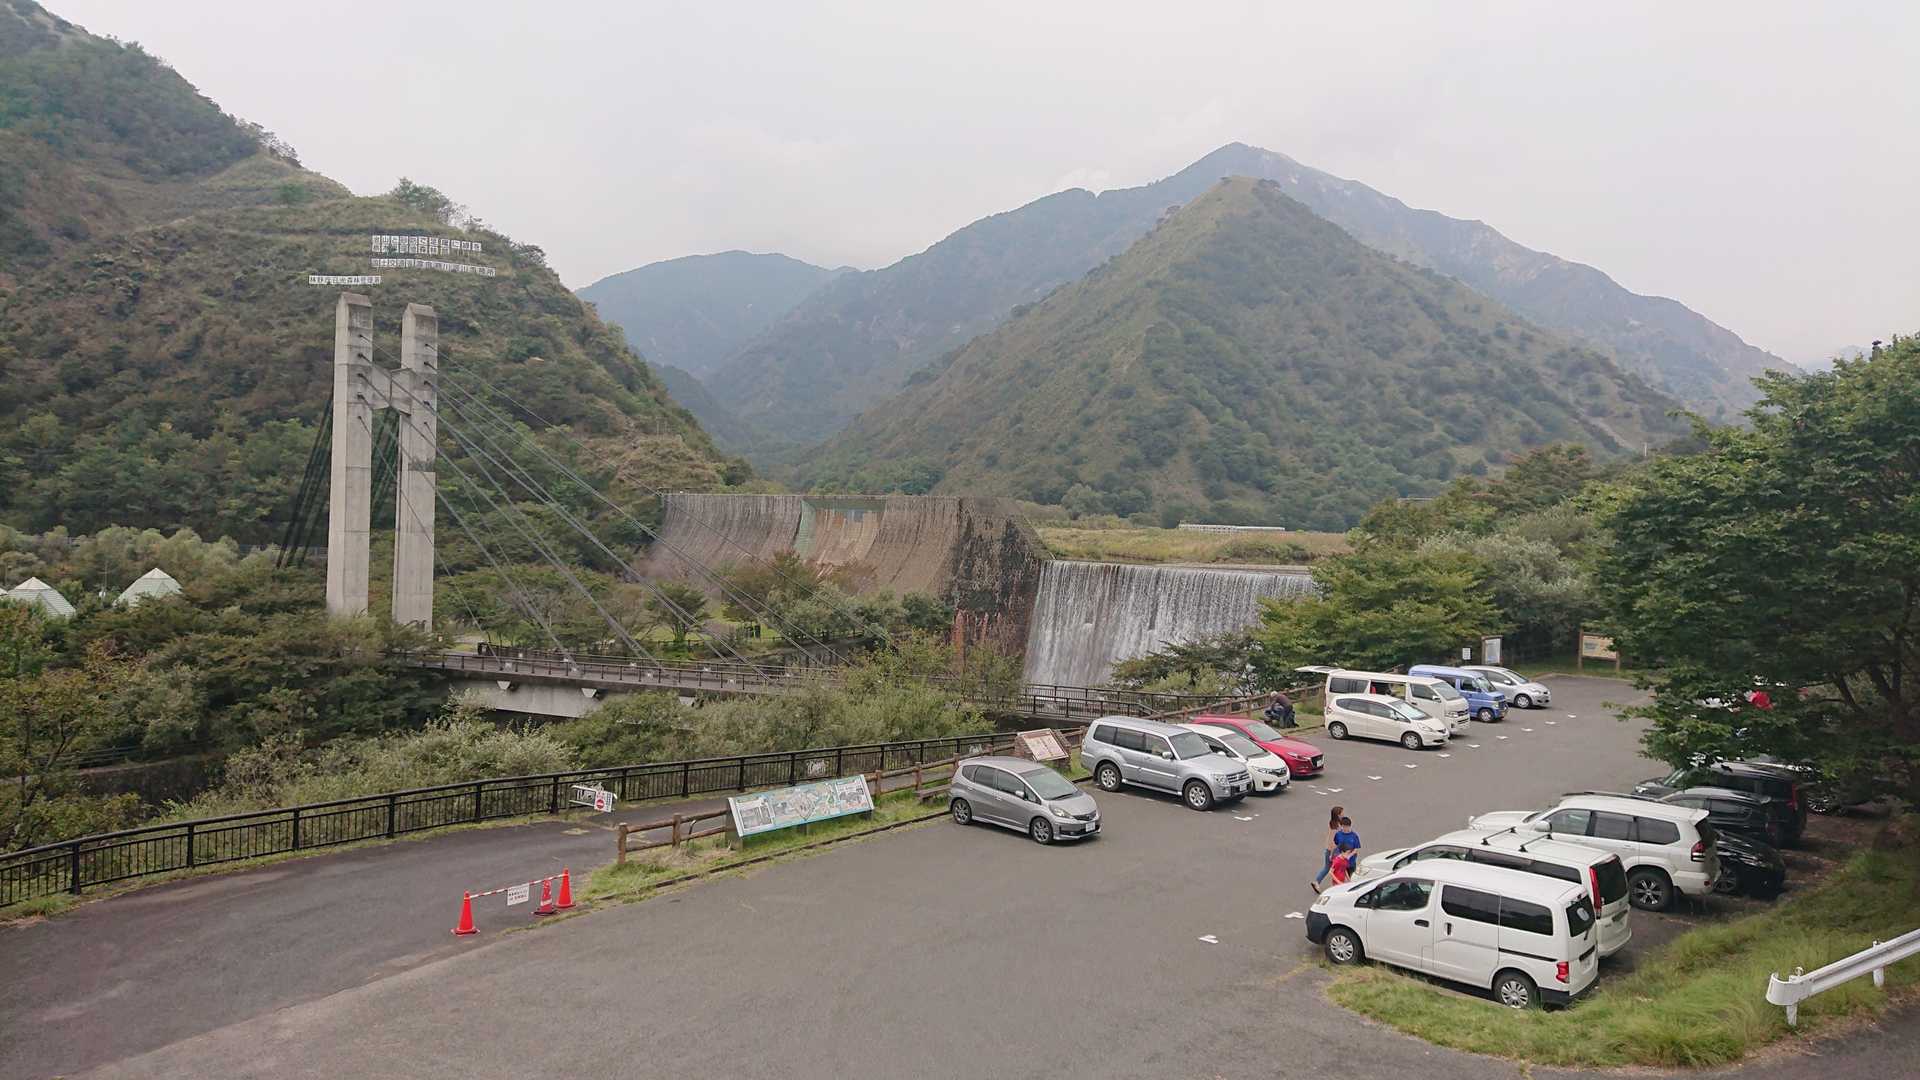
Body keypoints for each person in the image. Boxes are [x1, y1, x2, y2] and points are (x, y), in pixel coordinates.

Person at [1311, 805, 1345, 893]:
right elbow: (1331, 841)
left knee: (1328, 867)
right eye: (1342, 813)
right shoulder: (1335, 826)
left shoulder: (1334, 823)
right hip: (1332, 851)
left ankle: (1317, 882)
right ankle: (1338, 885)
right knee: (1339, 867)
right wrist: (1332, 853)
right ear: (1338, 815)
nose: (1343, 814)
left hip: (1330, 850)